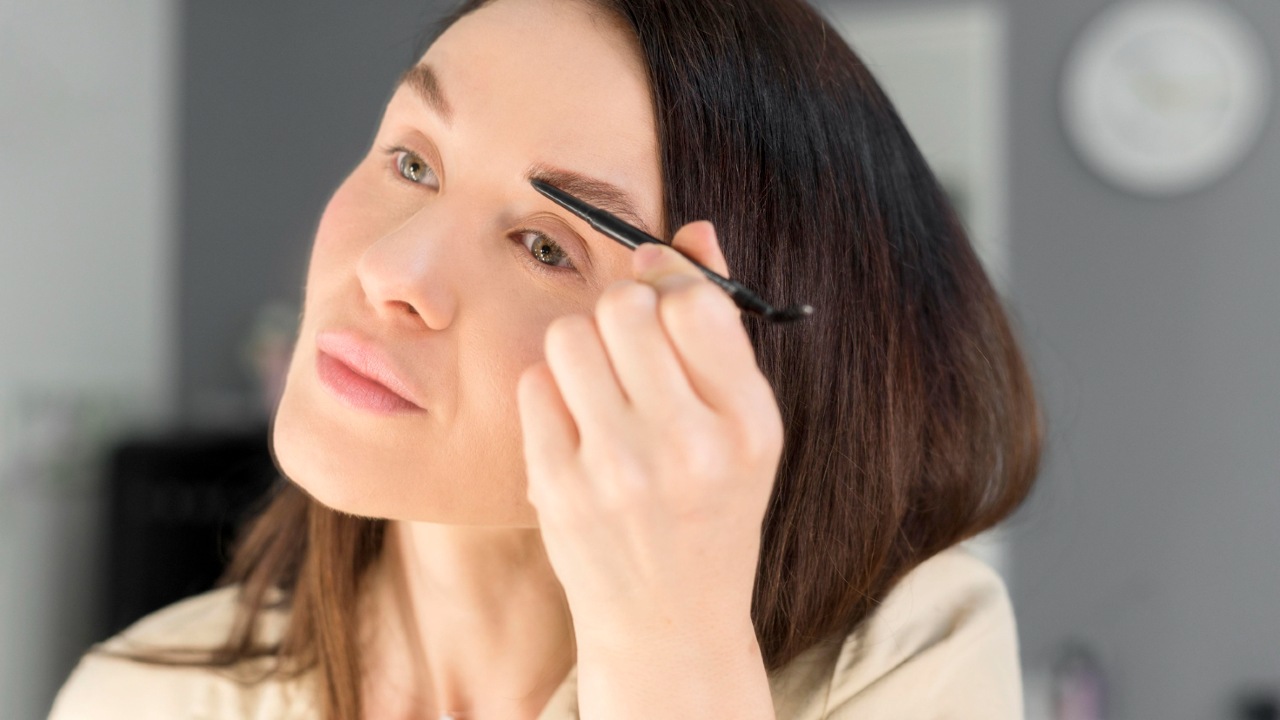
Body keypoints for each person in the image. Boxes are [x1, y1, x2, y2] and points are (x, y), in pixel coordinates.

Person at [49, 0, 1043, 717]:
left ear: (723, 362)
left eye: (545, 247)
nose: (390, 271)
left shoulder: (905, 661)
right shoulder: (144, 695)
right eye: (412, 162)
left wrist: (673, 649)